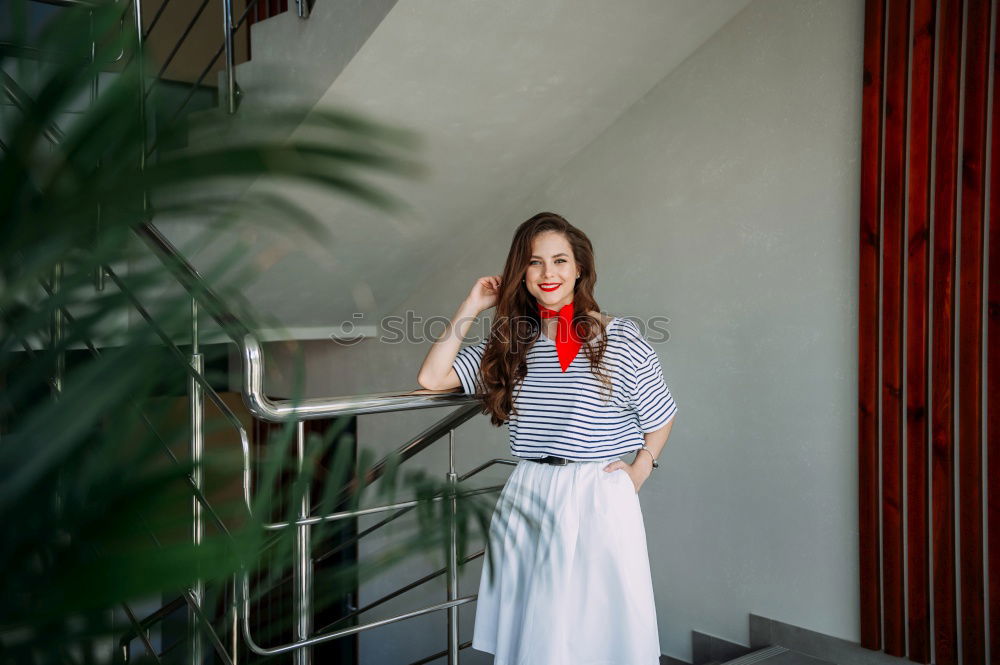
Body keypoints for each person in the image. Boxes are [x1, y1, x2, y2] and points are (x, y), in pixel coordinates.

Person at [417, 212, 677, 665]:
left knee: (597, 629)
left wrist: (642, 465)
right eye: (535, 263)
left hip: (596, 493)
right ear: (522, 272)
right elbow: (432, 377)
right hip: (531, 491)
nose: (548, 273)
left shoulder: (621, 337)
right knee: (535, 637)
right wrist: (472, 305)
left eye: (560, 260)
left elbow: (661, 414)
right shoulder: (511, 343)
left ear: (580, 268)